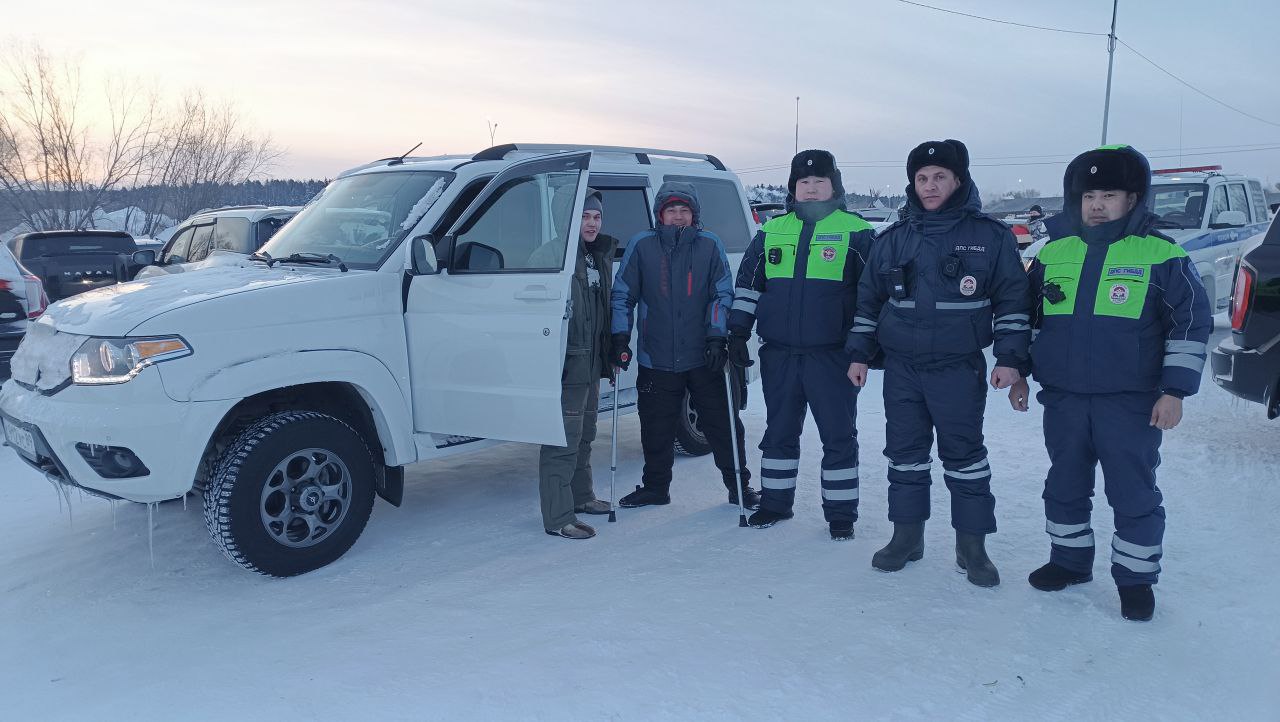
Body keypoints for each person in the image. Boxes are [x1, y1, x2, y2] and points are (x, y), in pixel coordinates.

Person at [1009, 144, 1210, 621]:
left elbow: (1190, 324)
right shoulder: (1053, 253)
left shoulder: (1162, 255)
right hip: (1065, 400)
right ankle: (1070, 561)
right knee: (1064, 485)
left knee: (1133, 493)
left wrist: (1174, 390)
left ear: (1133, 199)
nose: (1097, 205)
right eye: (1089, 195)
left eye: (1109, 195)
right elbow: (1026, 319)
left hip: (1131, 404)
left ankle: (1135, 580)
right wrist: (1018, 369)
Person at [846, 139, 1030, 587]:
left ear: (958, 180)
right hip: (903, 369)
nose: (929, 186)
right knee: (905, 456)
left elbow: (1012, 300)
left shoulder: (990, 237)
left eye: (939, 177)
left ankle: (972, 547)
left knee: (965, 457)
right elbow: (868, 300)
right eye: (922, 178)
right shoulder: (892, 239)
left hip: (957, 367)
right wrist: (859, 354)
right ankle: (906, 537)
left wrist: (1010, 358)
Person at [727, 149, 875, 540]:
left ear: (834, 185)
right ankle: (775, 503)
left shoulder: (857, 231)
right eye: (803, 183)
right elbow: (748, 287)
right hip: (780, 355)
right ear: (794, 187)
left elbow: (870, 299)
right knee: (779, 433)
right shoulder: (771, 232)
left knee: (838, 437)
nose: (811, 189)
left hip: (833, 357)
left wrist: (861, 349)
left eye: (819, 182)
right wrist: (737, 331)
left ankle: (841, 514)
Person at [610, 182, 760, 510]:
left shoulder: (709, 245)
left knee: (722, 423)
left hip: (703, 356)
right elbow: (623, 294)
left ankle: (739, 486)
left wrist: (716, 336)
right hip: (657, 355)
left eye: (684, 210)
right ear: (660, 214)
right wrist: (620, 335)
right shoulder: (642, 245)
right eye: (671, 210)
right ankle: (655, 487)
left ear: (694, 215)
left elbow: (721, 293)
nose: (678, 216)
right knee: (656, 427)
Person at [533, 189, 617, 539]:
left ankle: (582, 498)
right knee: (562, 441)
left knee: (585, 436)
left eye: (596, 217)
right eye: (584, 216)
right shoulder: (551, 256)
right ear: (568, 218)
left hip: (591, 363)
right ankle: (557, 517)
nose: (592, 223)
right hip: (566, 365)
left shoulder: (596, 256)